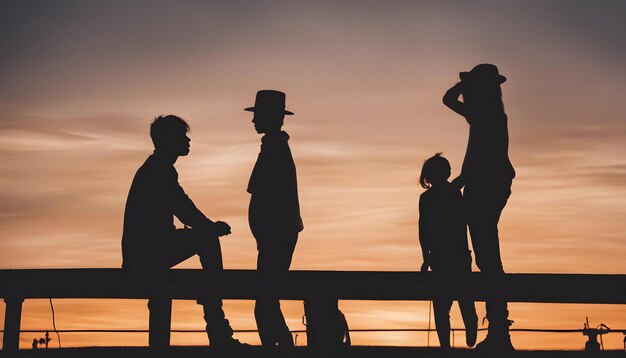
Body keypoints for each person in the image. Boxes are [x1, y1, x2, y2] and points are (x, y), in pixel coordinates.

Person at [121, 115, 245, 350]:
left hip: (143, 254)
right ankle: (217, 325)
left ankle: (213, 307)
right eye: (182, 136)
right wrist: (211, 228)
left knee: (205, 238)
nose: (187, 141)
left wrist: (206, 226)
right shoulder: (159, 170)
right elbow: (183, 208)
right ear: (168, 140)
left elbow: (181, 206)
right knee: (207, 241)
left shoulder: (156, 168)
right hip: (147, 256)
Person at [443, 64, 516, 351]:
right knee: (486, 256)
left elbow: (448, 99)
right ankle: (498, 329)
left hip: (486, 187)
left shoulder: (488, 115)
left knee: (487, 257)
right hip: (485, 185)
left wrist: (464, 83)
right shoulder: (488, 114)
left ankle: (499, 330)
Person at [246, 90, 304, 348]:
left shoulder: (274, 149)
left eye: (257, 115)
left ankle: (278, 346)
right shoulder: (276, 146)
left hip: (275, 235)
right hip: (274, 234)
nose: (253, 121)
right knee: (267, 299)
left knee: (265, 301)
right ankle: (279, 345)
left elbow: (268, 197)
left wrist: (265, 234)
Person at [419, 153, 478, 349]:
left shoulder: (426, 198)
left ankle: (445, 345)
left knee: (441, 305)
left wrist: (425, 257)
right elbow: (464, 177)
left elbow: (423, 231)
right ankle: (471, 324)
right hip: (458, 255)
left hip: (439, 256)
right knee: (464, 297)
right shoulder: (453, 191)